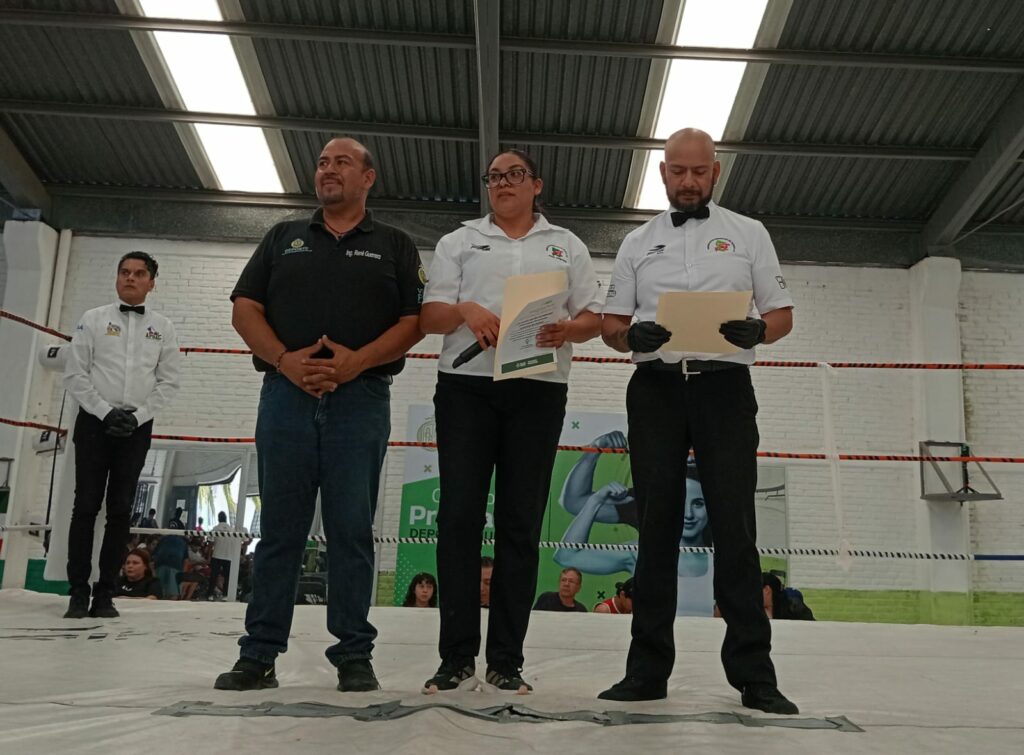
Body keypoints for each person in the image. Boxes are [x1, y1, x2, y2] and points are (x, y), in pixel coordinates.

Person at [598, 128, 797, 715]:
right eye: (678, 171)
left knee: (735, 526)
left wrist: (760, 331)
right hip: (656, 389)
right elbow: (611, 326)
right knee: (655, 526)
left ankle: (755, 677)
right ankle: (646, 672)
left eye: (699, 171)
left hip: (725, 388)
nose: (688, 181)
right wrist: (629, 337)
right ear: (663, 173)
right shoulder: (637, 241)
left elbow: (782, 315)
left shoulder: (749, 233)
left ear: (716, 172)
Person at [215, 136, 425, 694]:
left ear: (368, 178)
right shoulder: (282, 236)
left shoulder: (395, 244)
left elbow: (413, 322)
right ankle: (259, 654)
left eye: (342, 163)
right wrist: (284, 361)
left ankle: (354, 655)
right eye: (323, 162)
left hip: (362, 399)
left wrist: (358, 362)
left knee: (351, 531)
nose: (328, 170)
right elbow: (244, 308)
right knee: (279, 531)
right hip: (286, 397)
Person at [420, 149, 602, 695]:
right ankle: (456, 658)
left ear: (536, 185)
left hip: (539, 391)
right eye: (494, 176)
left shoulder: (566, 245)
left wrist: (568, 330)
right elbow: (430, 315)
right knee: (458, 520)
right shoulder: (459, 241)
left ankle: (506, 660)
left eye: (514, 175)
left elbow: (595, 316)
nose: (503, 183)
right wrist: (465, 310)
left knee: (521, 524)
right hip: (466, 389)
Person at [62, 251, 181, 619]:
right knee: (85, 506)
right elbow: (75, 373)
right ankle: (77, 592)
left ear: (151, 283)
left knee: (120, 509)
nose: (130, 278)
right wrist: (104, 411)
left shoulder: (163, 327)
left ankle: (105, 594)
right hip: (94, 423)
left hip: (136, 427)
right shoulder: (92, 319)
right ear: (117, 278)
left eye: (139, 273)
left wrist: (138, 417)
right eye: (125, 272)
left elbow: (169, 381)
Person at [555, 451, 713, 614]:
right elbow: (566, 556)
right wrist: (595, 501)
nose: (688, 514)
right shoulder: (640, 552)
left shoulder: (717, 556)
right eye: (680, 503)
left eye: (698, 504)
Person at [150, 532, 187, 599]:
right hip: (175, 565)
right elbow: (186, 560)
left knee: (159, 592)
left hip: (160, 564)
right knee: (173, 594)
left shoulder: (163, 539)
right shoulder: (183, 542)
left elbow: (154, 555)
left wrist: (153, 571)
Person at [209, 511, 235, 598]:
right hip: (229, 556)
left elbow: (211, 543)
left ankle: (210, 594)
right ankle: (225, 595)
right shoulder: (232, 530)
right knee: (227, 577)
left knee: (214, 576)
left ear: (218, 518)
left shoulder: (215, 529)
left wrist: (209, 555)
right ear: (226, 518)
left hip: (216, 555)